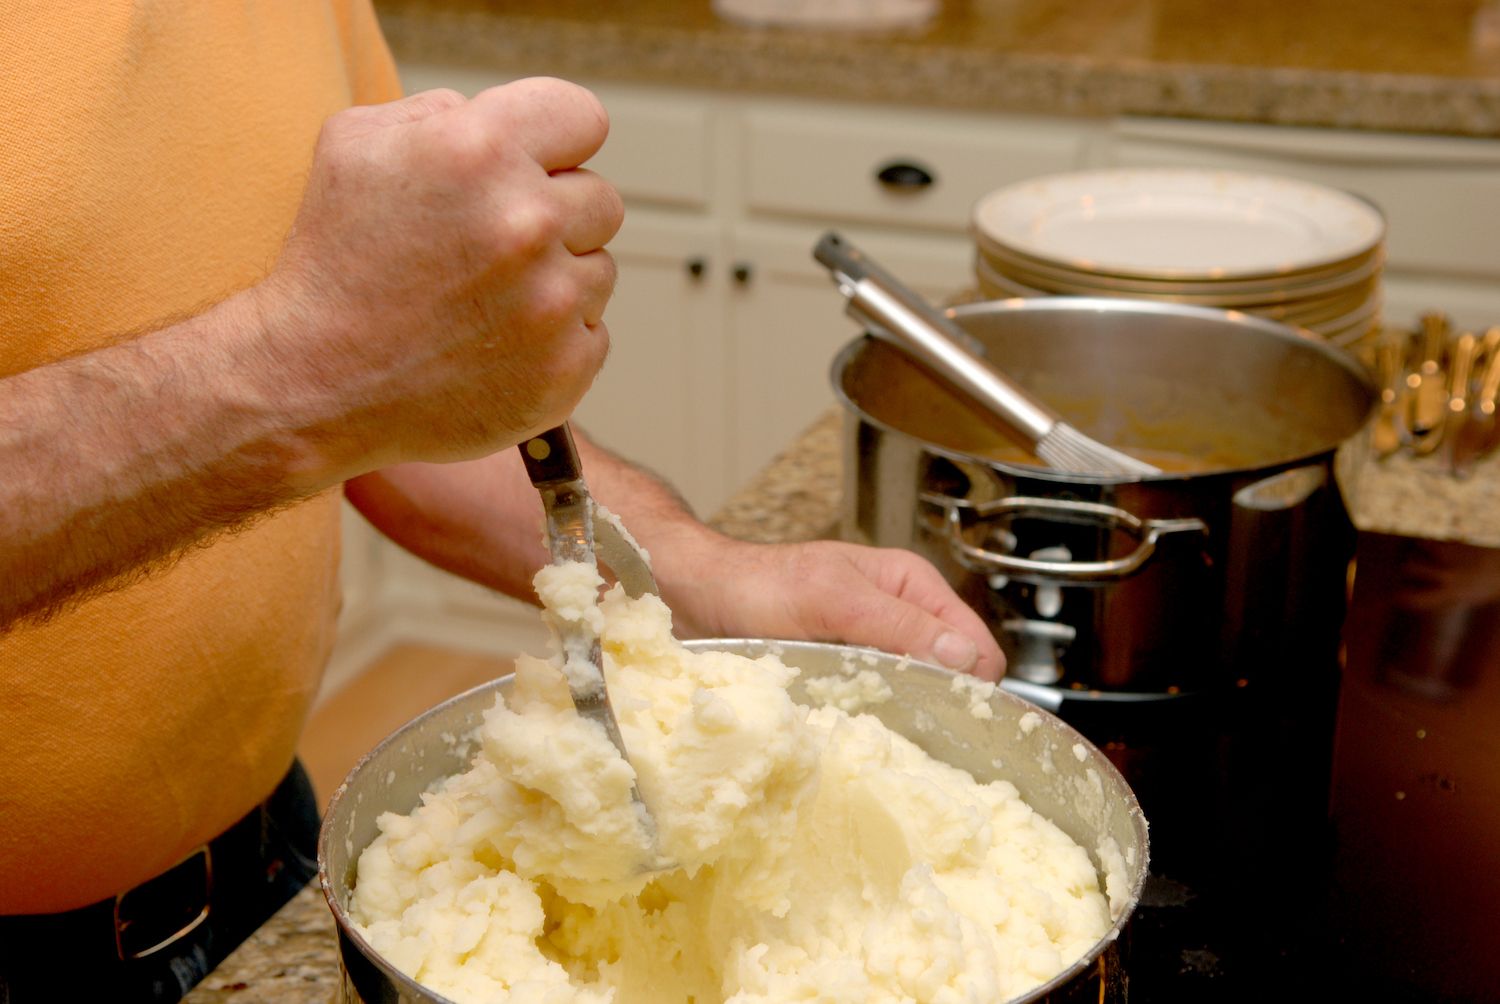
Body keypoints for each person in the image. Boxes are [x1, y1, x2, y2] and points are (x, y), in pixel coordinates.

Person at [0, 3, 1002, 999]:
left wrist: (697, 570)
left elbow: (376, 390)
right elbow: (311, 369)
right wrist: (295, 364)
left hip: (264, 865)